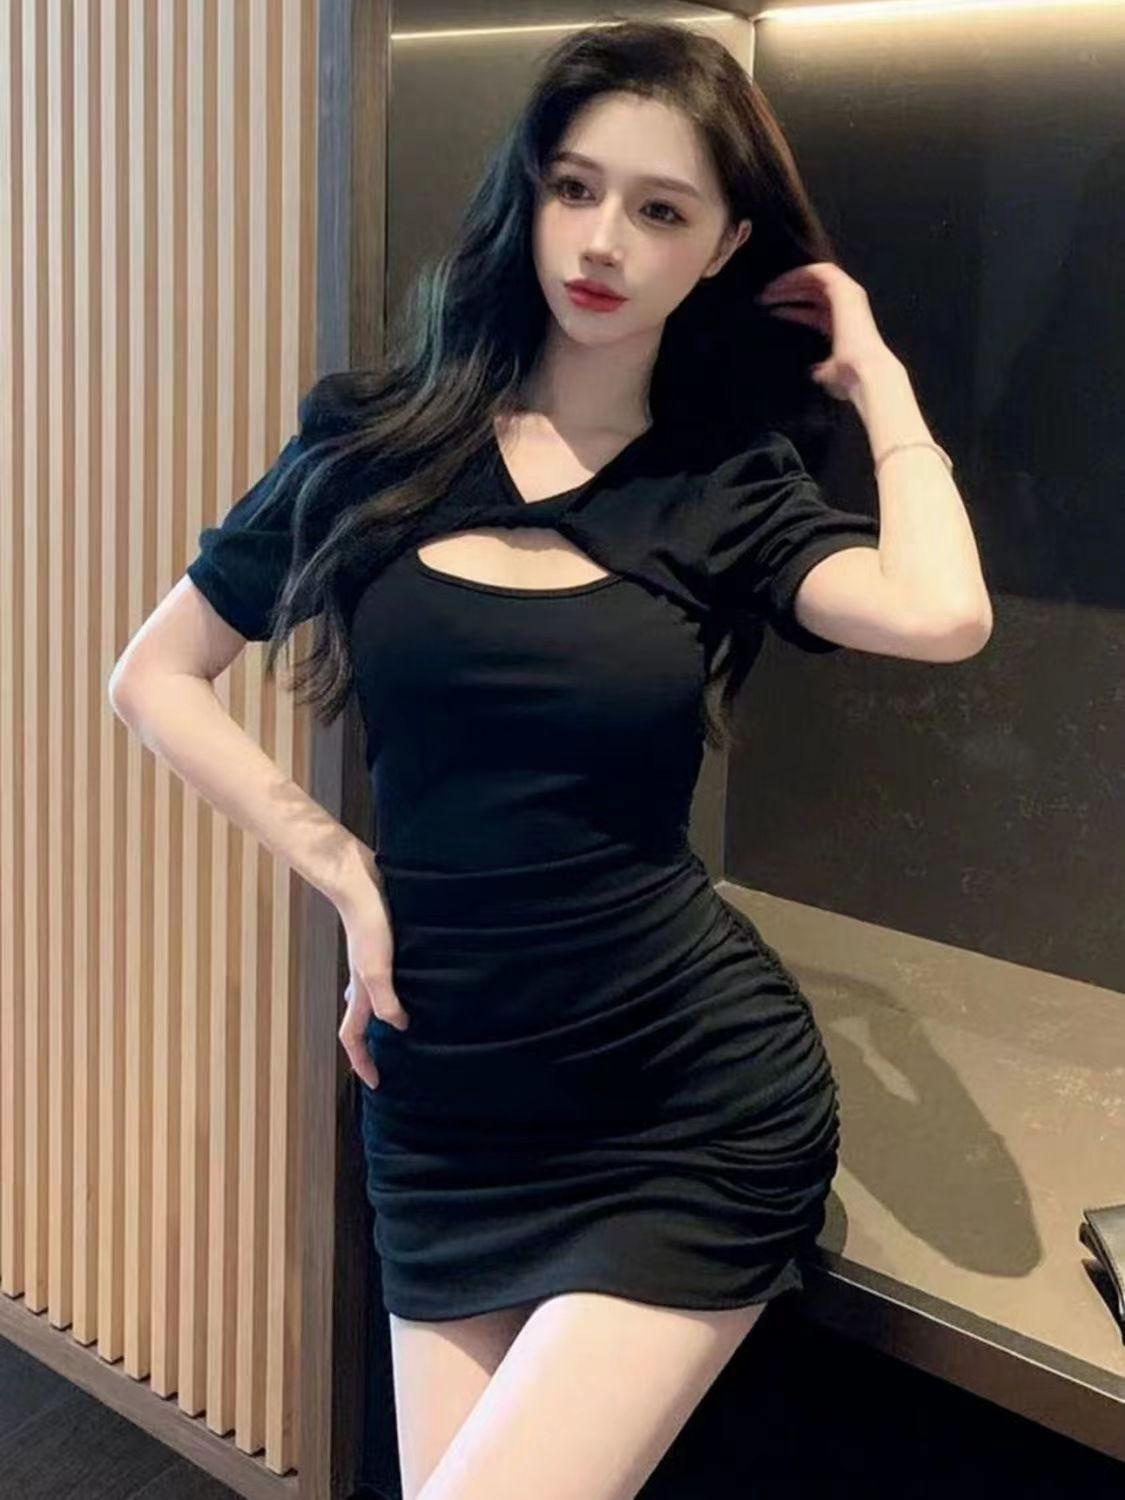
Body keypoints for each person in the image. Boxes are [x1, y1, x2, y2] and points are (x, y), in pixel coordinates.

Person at [109, 20, 990, 1500]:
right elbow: (154, 674)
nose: (602, 242)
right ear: (527, 194)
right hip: (446, 1106)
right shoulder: (375, 441)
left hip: (678, 1103)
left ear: (722, 250)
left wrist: (878, 380)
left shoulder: (723, 486)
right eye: (575, 188)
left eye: (661, 210)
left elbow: (940, 613)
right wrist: (341, 868)